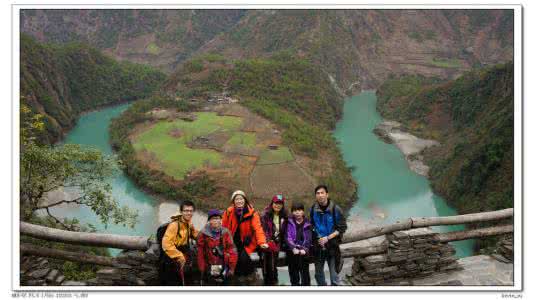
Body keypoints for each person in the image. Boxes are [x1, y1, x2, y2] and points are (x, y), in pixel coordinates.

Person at [222, 190, 268, 285]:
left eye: (241, 199)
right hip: (233, 240)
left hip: (248, 241)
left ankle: (248, 277)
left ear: (245, 200)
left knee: (243, 257)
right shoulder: (228, 212)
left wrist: (262, 242)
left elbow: (258, 228)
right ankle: (238, 278)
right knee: (233, 256)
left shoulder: (252, 213)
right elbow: (223, 227)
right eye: (237, 199)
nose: (239, 201)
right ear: (233, 201)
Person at [309, 185, 347, 286]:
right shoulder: (313, 209)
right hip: (318, 247)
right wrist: (318, 237)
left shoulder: (335, 209)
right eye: (318, 193)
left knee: (334, 276)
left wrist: (327, 238)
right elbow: (311, 225)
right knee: (318, 275)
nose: (320, 195)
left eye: (322, 193)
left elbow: (342, 227)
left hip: (332, 247)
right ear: (315, 196)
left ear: (327, 194)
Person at [161, 200, 199, 285]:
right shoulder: (174, 225)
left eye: (191, 211)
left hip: (183, 251)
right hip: (173, 256)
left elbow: (194, 234)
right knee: (174, 281)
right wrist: (179, 256)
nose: (189, 213)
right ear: (181, 212)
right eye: (186, 211)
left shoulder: (188, 223)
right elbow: (166, 244)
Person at [197, 209, 238, 286]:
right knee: (214, 282)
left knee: (224, 283)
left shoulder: (226, 232)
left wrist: (232, 267)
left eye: (217, 218)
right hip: (210, 265)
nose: (215, 221)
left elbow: (232, 250)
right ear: (209, 221)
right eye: (213, 219)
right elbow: (200, 253)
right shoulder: (203, 234)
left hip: (224, 264)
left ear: (221, 220)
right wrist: (202, 269)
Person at [259, 194, 288, 285]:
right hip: (266, 242)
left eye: (280, 203)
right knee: (267, 263)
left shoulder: (284, 216)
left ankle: (273, 282)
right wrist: (269, 241)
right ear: (272, 203)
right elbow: (263, 230)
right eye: (276, 203)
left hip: (277, 243)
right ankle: (269, 282)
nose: (277, 205)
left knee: (273, 263)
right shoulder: (265, 215)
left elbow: (285, 231)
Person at [285, 202, 312, 286]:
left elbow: (309, 238)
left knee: (305, 278)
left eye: (299, 210)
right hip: (292, 253)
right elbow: (287, 236)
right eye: (295, 210)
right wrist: (293, 247)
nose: (297, 212)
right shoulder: (288, 222)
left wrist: (304, 248)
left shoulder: (308, 223)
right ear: (292, 212)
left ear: (303, 212)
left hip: (304, 253)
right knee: (294, 278)